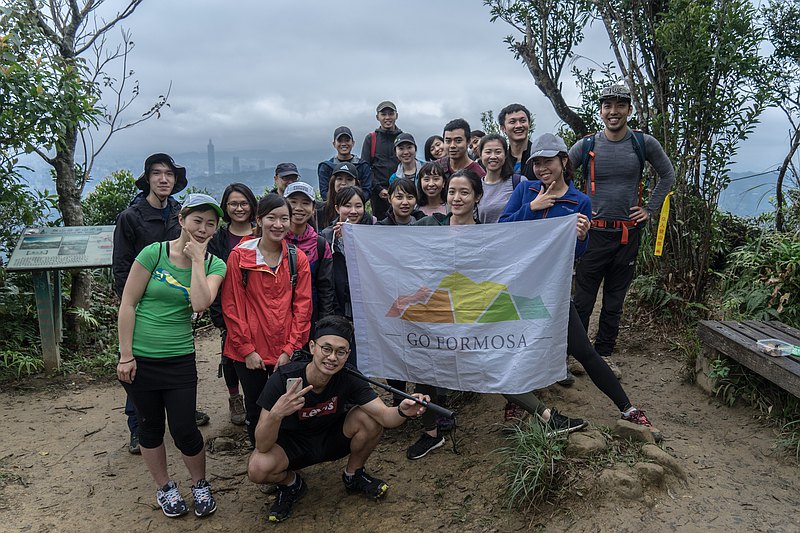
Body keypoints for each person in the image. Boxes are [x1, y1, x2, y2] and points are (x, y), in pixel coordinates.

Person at [499, 133, 661, 440]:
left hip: (553, 291)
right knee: (514, 345)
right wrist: (532, 206)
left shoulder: (579, 201)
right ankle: (516, 404)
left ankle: (628, 409)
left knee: (584, 350)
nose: (542, 168)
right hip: (518, 286)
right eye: (537, 163)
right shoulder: (525, 190)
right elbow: (503, 231)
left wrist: (584, 237)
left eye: (548, 161)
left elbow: (575, 256)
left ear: (563, 161)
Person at [247, 315, 430, 523]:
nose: (332, 357)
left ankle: (354, 475)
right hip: (292, 447)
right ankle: (291, 484)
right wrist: (276, 414)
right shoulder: (282, 379)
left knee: (369, 419)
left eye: (340, 352)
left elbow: (385, 417)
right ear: (313, 347)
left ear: (348, 354)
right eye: (326, 349)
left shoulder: (349, 376)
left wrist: (403, 410)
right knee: (257, 467)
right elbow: (262, 444)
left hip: (331, 439)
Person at [116, 193, 227, 518]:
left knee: (184, 429)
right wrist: (126, 355)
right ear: (181, 220)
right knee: (150, 427)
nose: (203, 229)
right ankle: (165, 486)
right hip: (140, 356)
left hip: (179, 357)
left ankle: (199, 484)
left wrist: (196, 260)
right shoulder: (154, 253)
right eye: (197, 221)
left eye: (210, 224)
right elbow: (128, 303)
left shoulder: (213, 264)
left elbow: (199, 303)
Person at [567, 84, 675, 377]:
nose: (613, 112)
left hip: (628, 233)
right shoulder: (586, 145)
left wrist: (649, 209)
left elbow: (668, 174)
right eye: (607, 106)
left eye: (620, 106)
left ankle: (603, 355)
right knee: (583, 299)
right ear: (600, 111)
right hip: (593, 234)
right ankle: (572, 356)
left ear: (629, 109)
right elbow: (561, 175)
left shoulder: (643, 143)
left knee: (614, 300)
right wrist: (571, 212)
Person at [112, 153, 209, 454]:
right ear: (148, 179)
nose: (164, 179)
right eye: (157, 173)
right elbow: (122, 265)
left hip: (177, 302)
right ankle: (139, 426)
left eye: (169, 174)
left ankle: (180, 413)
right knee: (139, 364)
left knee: (176, 362)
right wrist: (131, 303)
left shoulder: (179, 213)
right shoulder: (131, 217)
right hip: (143, 302)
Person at [220, 194, 313, 447]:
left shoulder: (297, 258)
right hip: (248, 354)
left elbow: (303, 309)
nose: (278, 224)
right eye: (271, 218)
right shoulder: (240, 257)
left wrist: (291, 349)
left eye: (284, 218)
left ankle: (286, 457)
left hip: (286, 351)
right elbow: (231, 306)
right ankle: (261, 456)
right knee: (255, 407)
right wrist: (247, 350)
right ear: (259, 220)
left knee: (290, 407)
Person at [208, 183, 258, 426]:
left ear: (251, 205)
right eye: (233, 204)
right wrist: (218, 313)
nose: (239, 208)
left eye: (244, 203)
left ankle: (256, 398)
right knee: (231, 354)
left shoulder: (261, 233)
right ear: (225, 208)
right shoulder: (219, 237)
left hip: (258, 306)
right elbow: (213, 274)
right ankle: (234, 397)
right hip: (229, 305)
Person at [319, 186, 375, 367]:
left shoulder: (372, 234)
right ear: (337, 208)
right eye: (347, 206)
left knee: (361, 358)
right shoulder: (326, 236)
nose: (353, 211)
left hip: (365, 307)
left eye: (358, 206)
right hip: (338, 305)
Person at [284, 181, 335, 330]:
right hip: (276, 319)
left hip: (310, 319)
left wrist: (325, 325)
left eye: (305, 203)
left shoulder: (319, 244)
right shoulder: (274, 240)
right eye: (293, 202)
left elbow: (325, 288)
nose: (298, 208)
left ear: (313, 209)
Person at [361, 101, 402, 219]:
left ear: (396, 116)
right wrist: (378, 189)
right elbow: (366, 168)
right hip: (377, 194)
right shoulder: (371, 139)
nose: (387, 117)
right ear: (377, 117)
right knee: (380, 225)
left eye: (391, 114)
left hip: (399, 191)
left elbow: (408, 164)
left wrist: (398, 190)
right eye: (383, 114)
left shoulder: (402, 138)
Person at [477, 133, 526, 224]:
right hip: (485, 237)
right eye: (488, 152)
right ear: (480, 155)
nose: (493, 156)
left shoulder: (520, 182)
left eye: (498, 152)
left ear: (505, 155)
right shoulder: (476, 186)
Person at [317, 126, 372, 201]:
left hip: (355, 208)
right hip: (332, 209)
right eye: (340, 141)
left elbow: (367, 191)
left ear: (353, 143)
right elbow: (324, 192)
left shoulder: (362, 166)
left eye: (347, 140)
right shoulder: (326, 167)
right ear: (334, 144)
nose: (343, 144)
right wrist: (340, 204)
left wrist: (353, 202)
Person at [318, 161, 361, 230]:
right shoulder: (321, 211)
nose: (343, 183)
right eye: (339, 179)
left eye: (349, 179)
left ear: (356, 183)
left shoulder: (362, 215)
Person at [497, 103, 533, 175]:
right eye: (512, 122)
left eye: (523, 121)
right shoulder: (502, 161)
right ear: (503, 128)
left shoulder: (539, 156)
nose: (518, 125)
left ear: (529, 124)